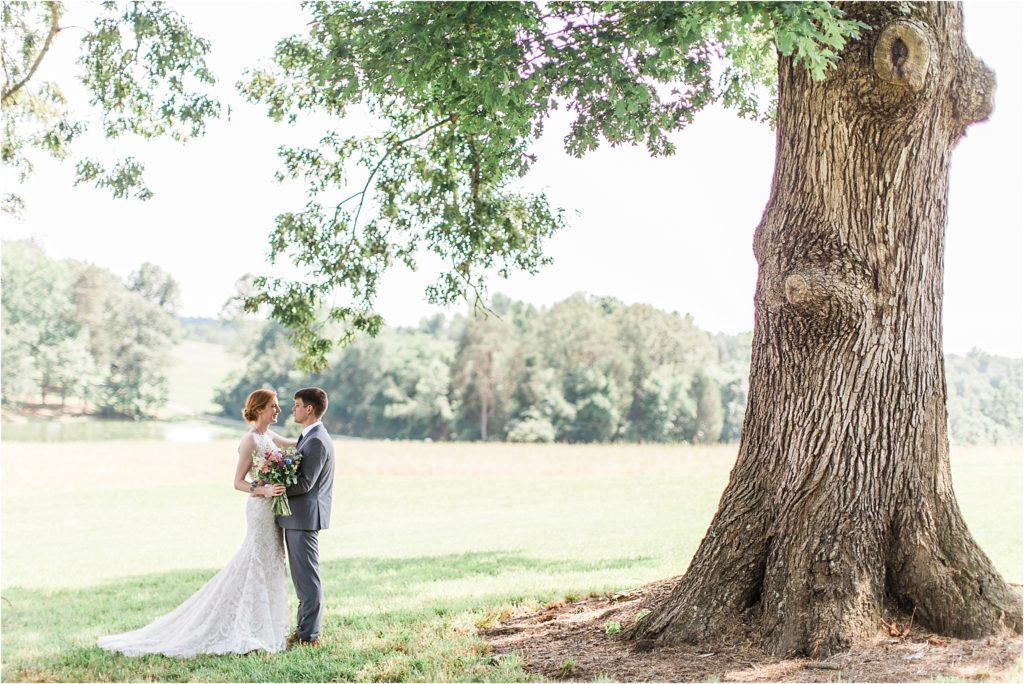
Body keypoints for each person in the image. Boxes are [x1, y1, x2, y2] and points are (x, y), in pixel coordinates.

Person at [97, 389, 294, 657]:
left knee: (271, 561)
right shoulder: (250, 440)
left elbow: (292, 444)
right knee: (256, 560)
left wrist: (315, 431)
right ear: (260, 409)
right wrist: (265, 490)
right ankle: (247, 625)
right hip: (260, 508)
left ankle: (264, 623)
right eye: (274, 406)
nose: (278, 410)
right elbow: (237, 482)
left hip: (273, 510)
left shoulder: (268, 436)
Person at [279, 387, 335, 646]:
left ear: (309, 408)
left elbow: (305, 483)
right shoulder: (309, 437)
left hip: (304, 518)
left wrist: (275, 488)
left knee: (307, 580)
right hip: (298, 517)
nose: (293, 409)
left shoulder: (317, 441)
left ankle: (308, 636)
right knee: (302, 579)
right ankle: (303, 630)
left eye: (297, 405)